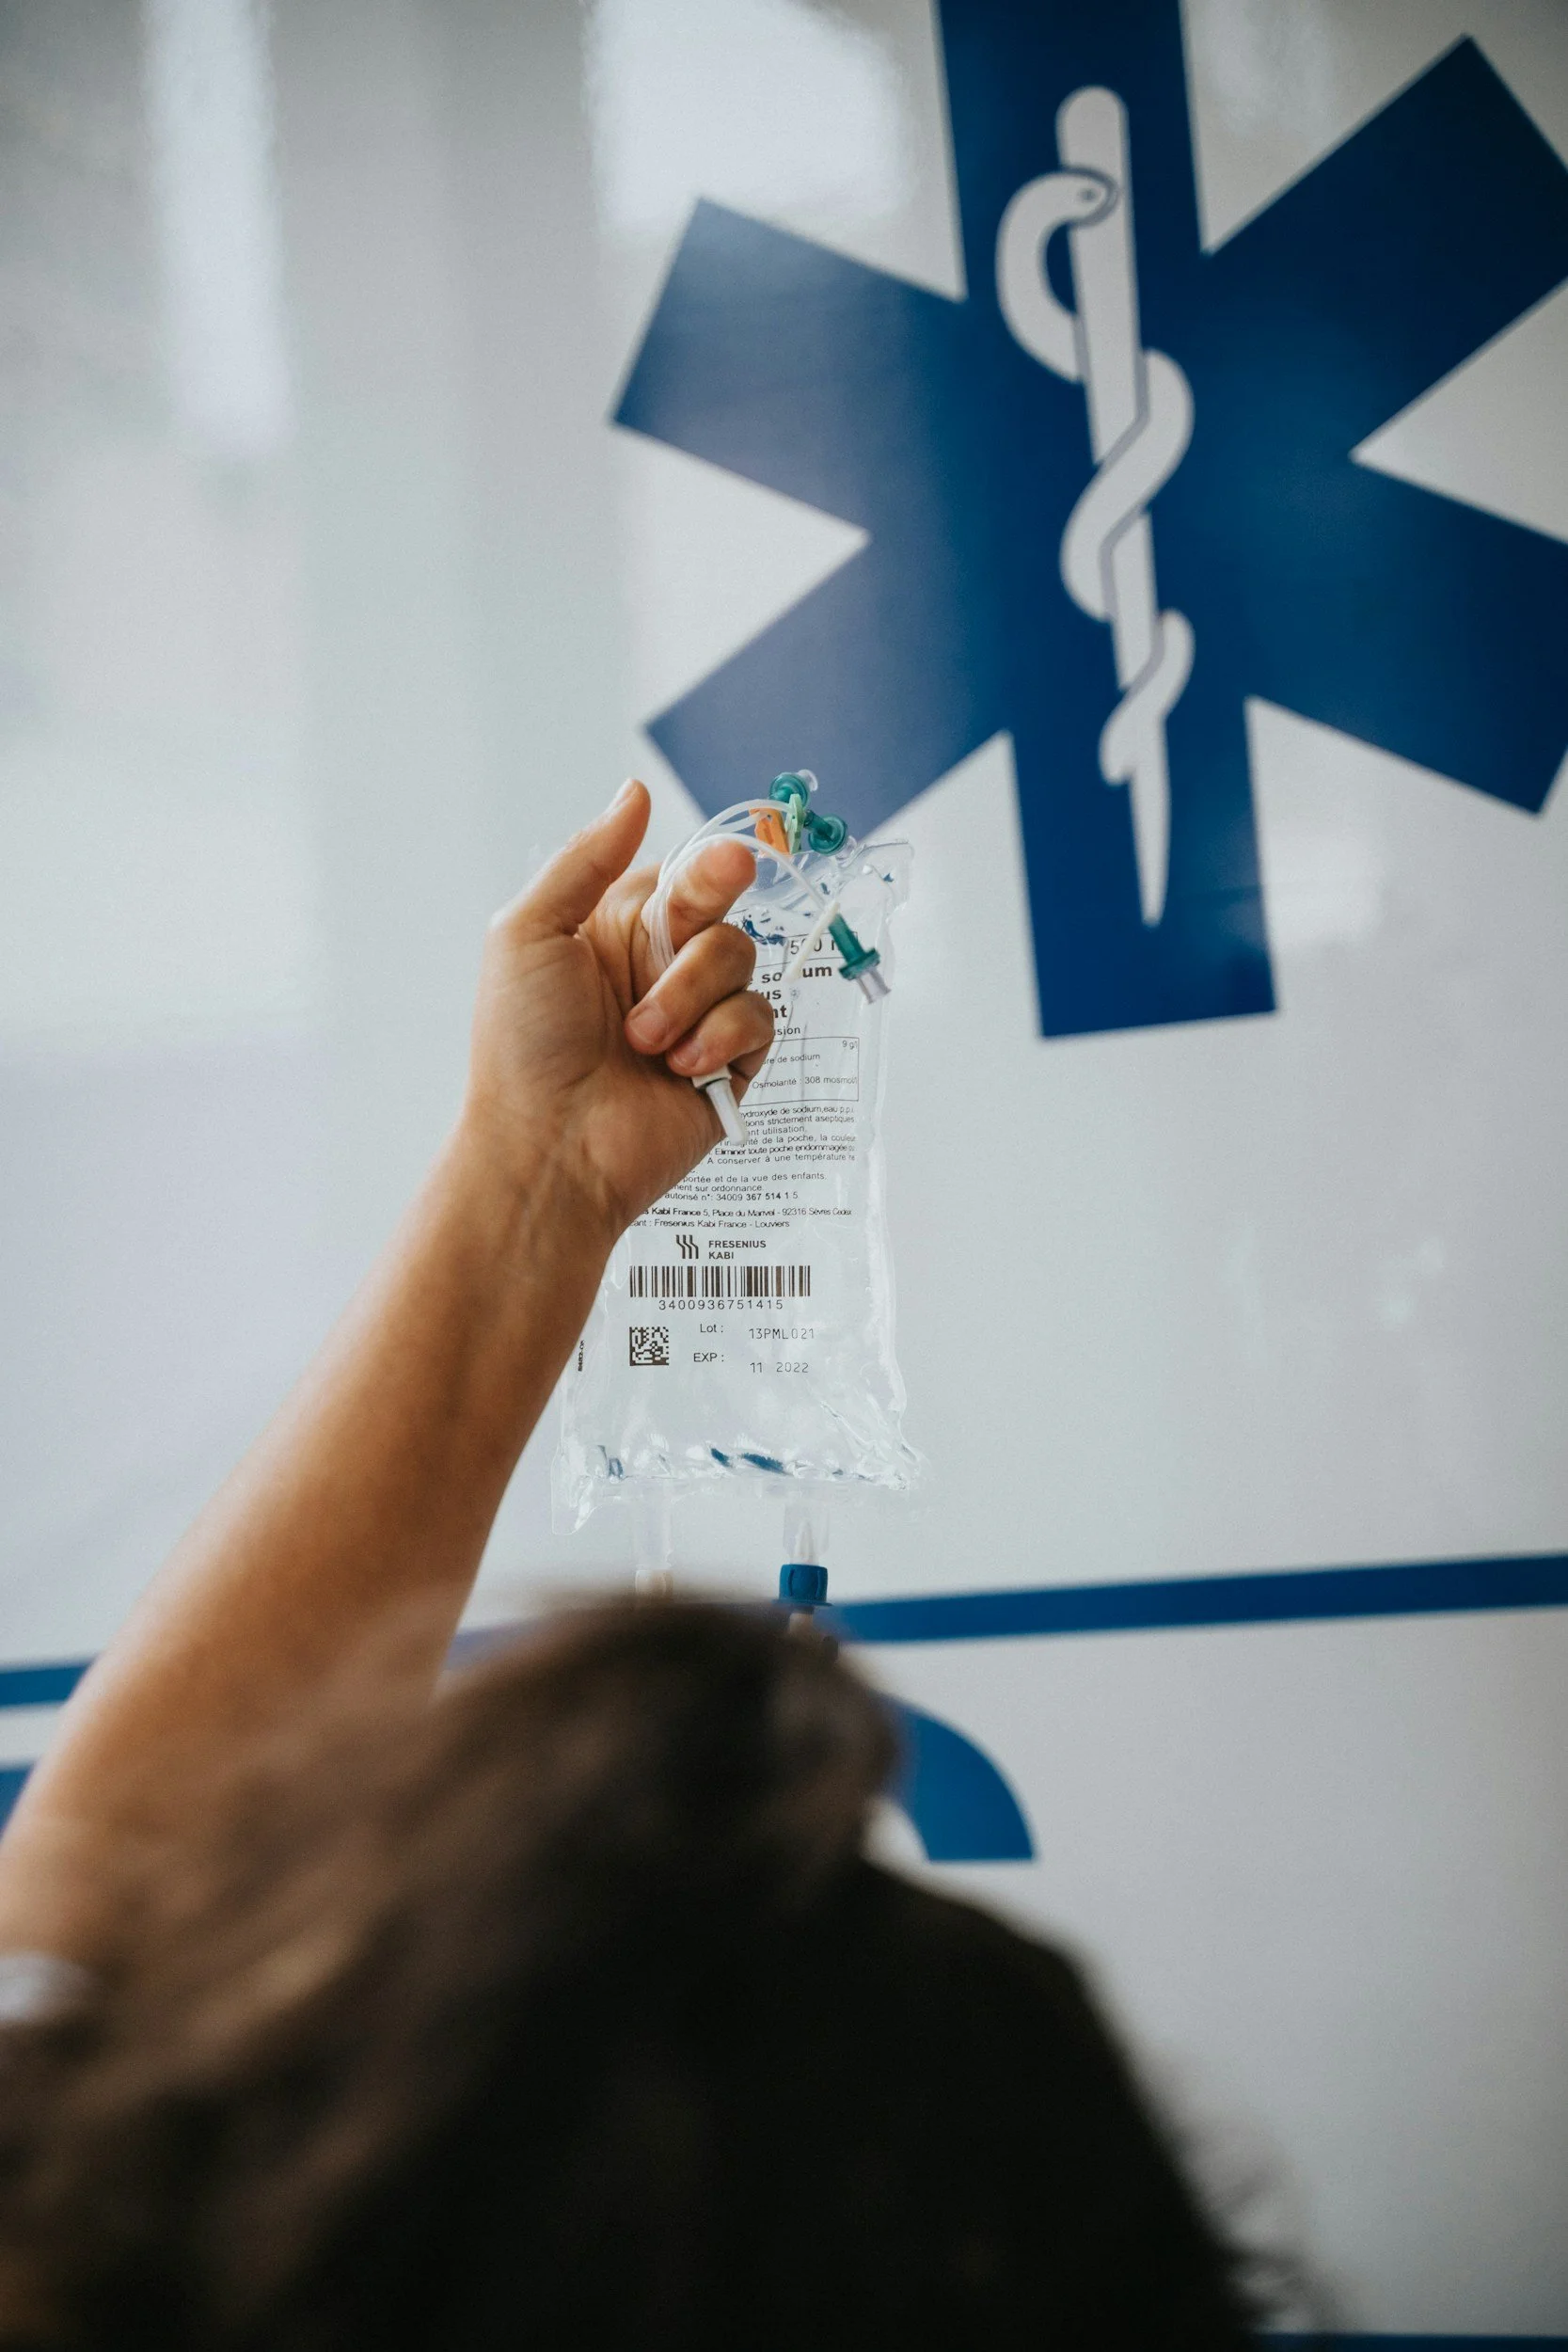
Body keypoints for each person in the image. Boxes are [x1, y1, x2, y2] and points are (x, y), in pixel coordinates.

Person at [0, 785, 1260, 2346]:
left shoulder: (164, 2262)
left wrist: (534, 1179)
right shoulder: (976, 2140)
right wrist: (536, 1179)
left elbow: (98, 1918)